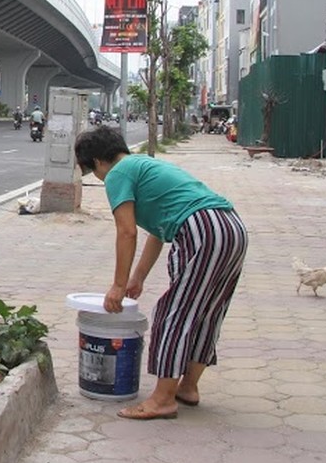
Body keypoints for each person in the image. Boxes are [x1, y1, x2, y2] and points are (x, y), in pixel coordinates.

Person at [73, 126, 248, 421]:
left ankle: (163, 400)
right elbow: (157, 231)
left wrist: (117, 286)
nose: (100, 179)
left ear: (99, 161)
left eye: (93, 171)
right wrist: (137, 277)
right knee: (205, 312)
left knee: (174, 313)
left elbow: (126, 232)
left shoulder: (118, 173)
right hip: (231, 228)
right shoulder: (144, 166)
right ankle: (187, 387)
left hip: (203, 229)